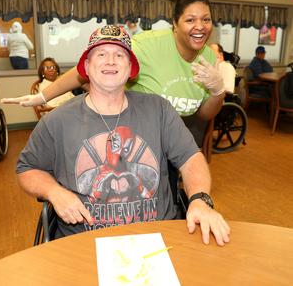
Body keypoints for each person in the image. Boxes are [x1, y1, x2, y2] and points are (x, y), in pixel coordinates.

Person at [16, 25, 230, 245]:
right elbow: (27, 168)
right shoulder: (57, 120)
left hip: (158, 236)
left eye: (119, 55)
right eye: (101, 54)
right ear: (87, 67)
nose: (111, 61)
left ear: (130, 69)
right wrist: (53, 191)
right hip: (83, 242)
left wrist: (200, 199)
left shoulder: (159, 110)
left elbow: (191, 158)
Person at [2, 0, 225, 147]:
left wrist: (218, 90)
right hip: (140, 130)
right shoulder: (147, 45)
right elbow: (91, 68)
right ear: (175, 23)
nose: (200, 26)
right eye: (190, 20)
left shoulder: (208, 57)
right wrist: (42, 96)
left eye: (206, 19)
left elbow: (204, 113)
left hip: (183, 132)